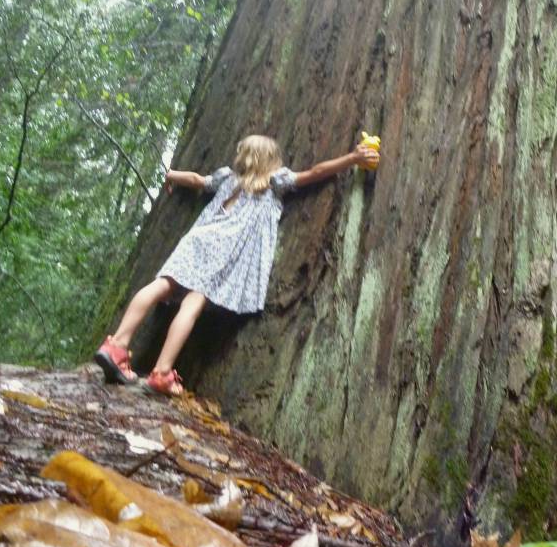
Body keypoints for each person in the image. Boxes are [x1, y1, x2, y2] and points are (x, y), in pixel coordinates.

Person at [94, 134, 380, 396]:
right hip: (223, 248)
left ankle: (117, 344)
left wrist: (172, 175)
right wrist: (353, 158)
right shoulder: (274, 182)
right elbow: (315, 173)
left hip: (198, 238)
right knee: (192, 304)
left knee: (160, 286)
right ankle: (162, 372)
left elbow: (196, 179)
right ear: (271, 161)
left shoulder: (227, 178)